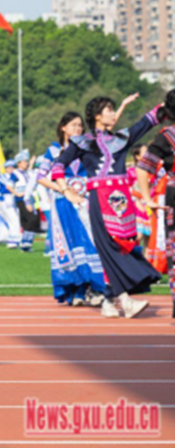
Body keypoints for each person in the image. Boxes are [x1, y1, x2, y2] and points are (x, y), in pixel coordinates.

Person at [52, 96, 163, 318]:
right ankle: (125, 301)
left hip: (122, 200)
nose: (113, 113)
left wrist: (165, 107)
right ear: (97, 116)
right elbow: (58, 166)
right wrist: (66, 190)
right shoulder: (82, 142)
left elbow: (146, 122)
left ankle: (109, 300)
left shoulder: (120, 139)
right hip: (100, 199)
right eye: (109, 110)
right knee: (111, 247)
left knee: (125, 246)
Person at [35, 111, 106, 307]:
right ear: (63, 128)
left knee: (91, 243)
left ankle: (95, 288)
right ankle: (76, 290)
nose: (78, 128)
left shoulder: (88, 148)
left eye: (80, 125)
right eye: (74, 125)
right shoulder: (53, 151)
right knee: (70, 244)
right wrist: (64, 189)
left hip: (86, 201)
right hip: (63, 203)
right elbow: (41, 177)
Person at [135, 89, 175, 318]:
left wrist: (148, 199)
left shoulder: (165, 136)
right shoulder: (166, 137)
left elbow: (143, 168)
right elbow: (143, 168)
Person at [12, 151, 41, 252]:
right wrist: (16, 193)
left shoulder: (27, 173)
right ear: (18, 163)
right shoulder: (15, 173)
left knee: (28, 220)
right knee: (31, 218)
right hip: (21, 199)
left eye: (27, 162)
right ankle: (25, 242)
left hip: (30, 198)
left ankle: (26, 244)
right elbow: (8, 185)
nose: (26, 163)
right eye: (24, 162)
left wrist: (32, 162)